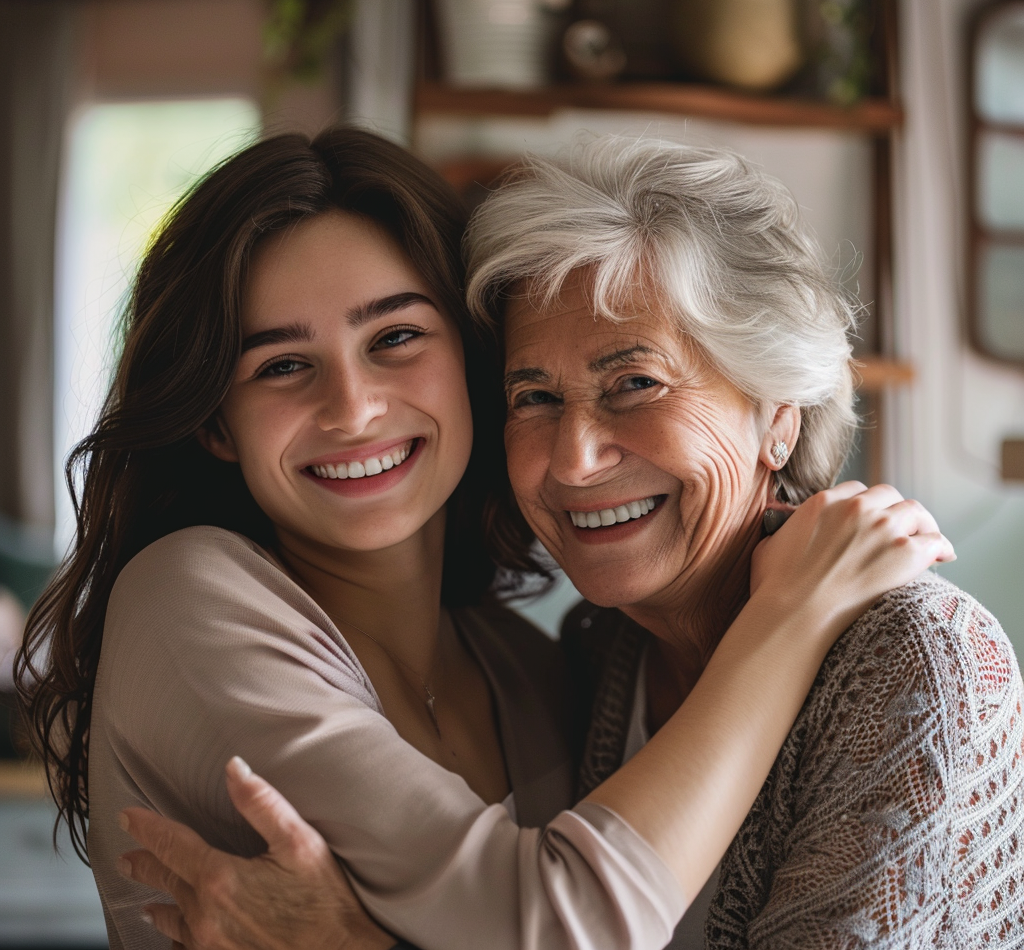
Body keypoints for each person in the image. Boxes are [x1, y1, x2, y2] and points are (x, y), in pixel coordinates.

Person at [19, 128, 954, 950]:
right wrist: (788, 621)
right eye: (283, 365)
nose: (353, 410)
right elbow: (563, 924)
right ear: (217, 425)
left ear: (469, 370)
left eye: (395, 339)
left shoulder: (539, 666)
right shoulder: (191, 597)